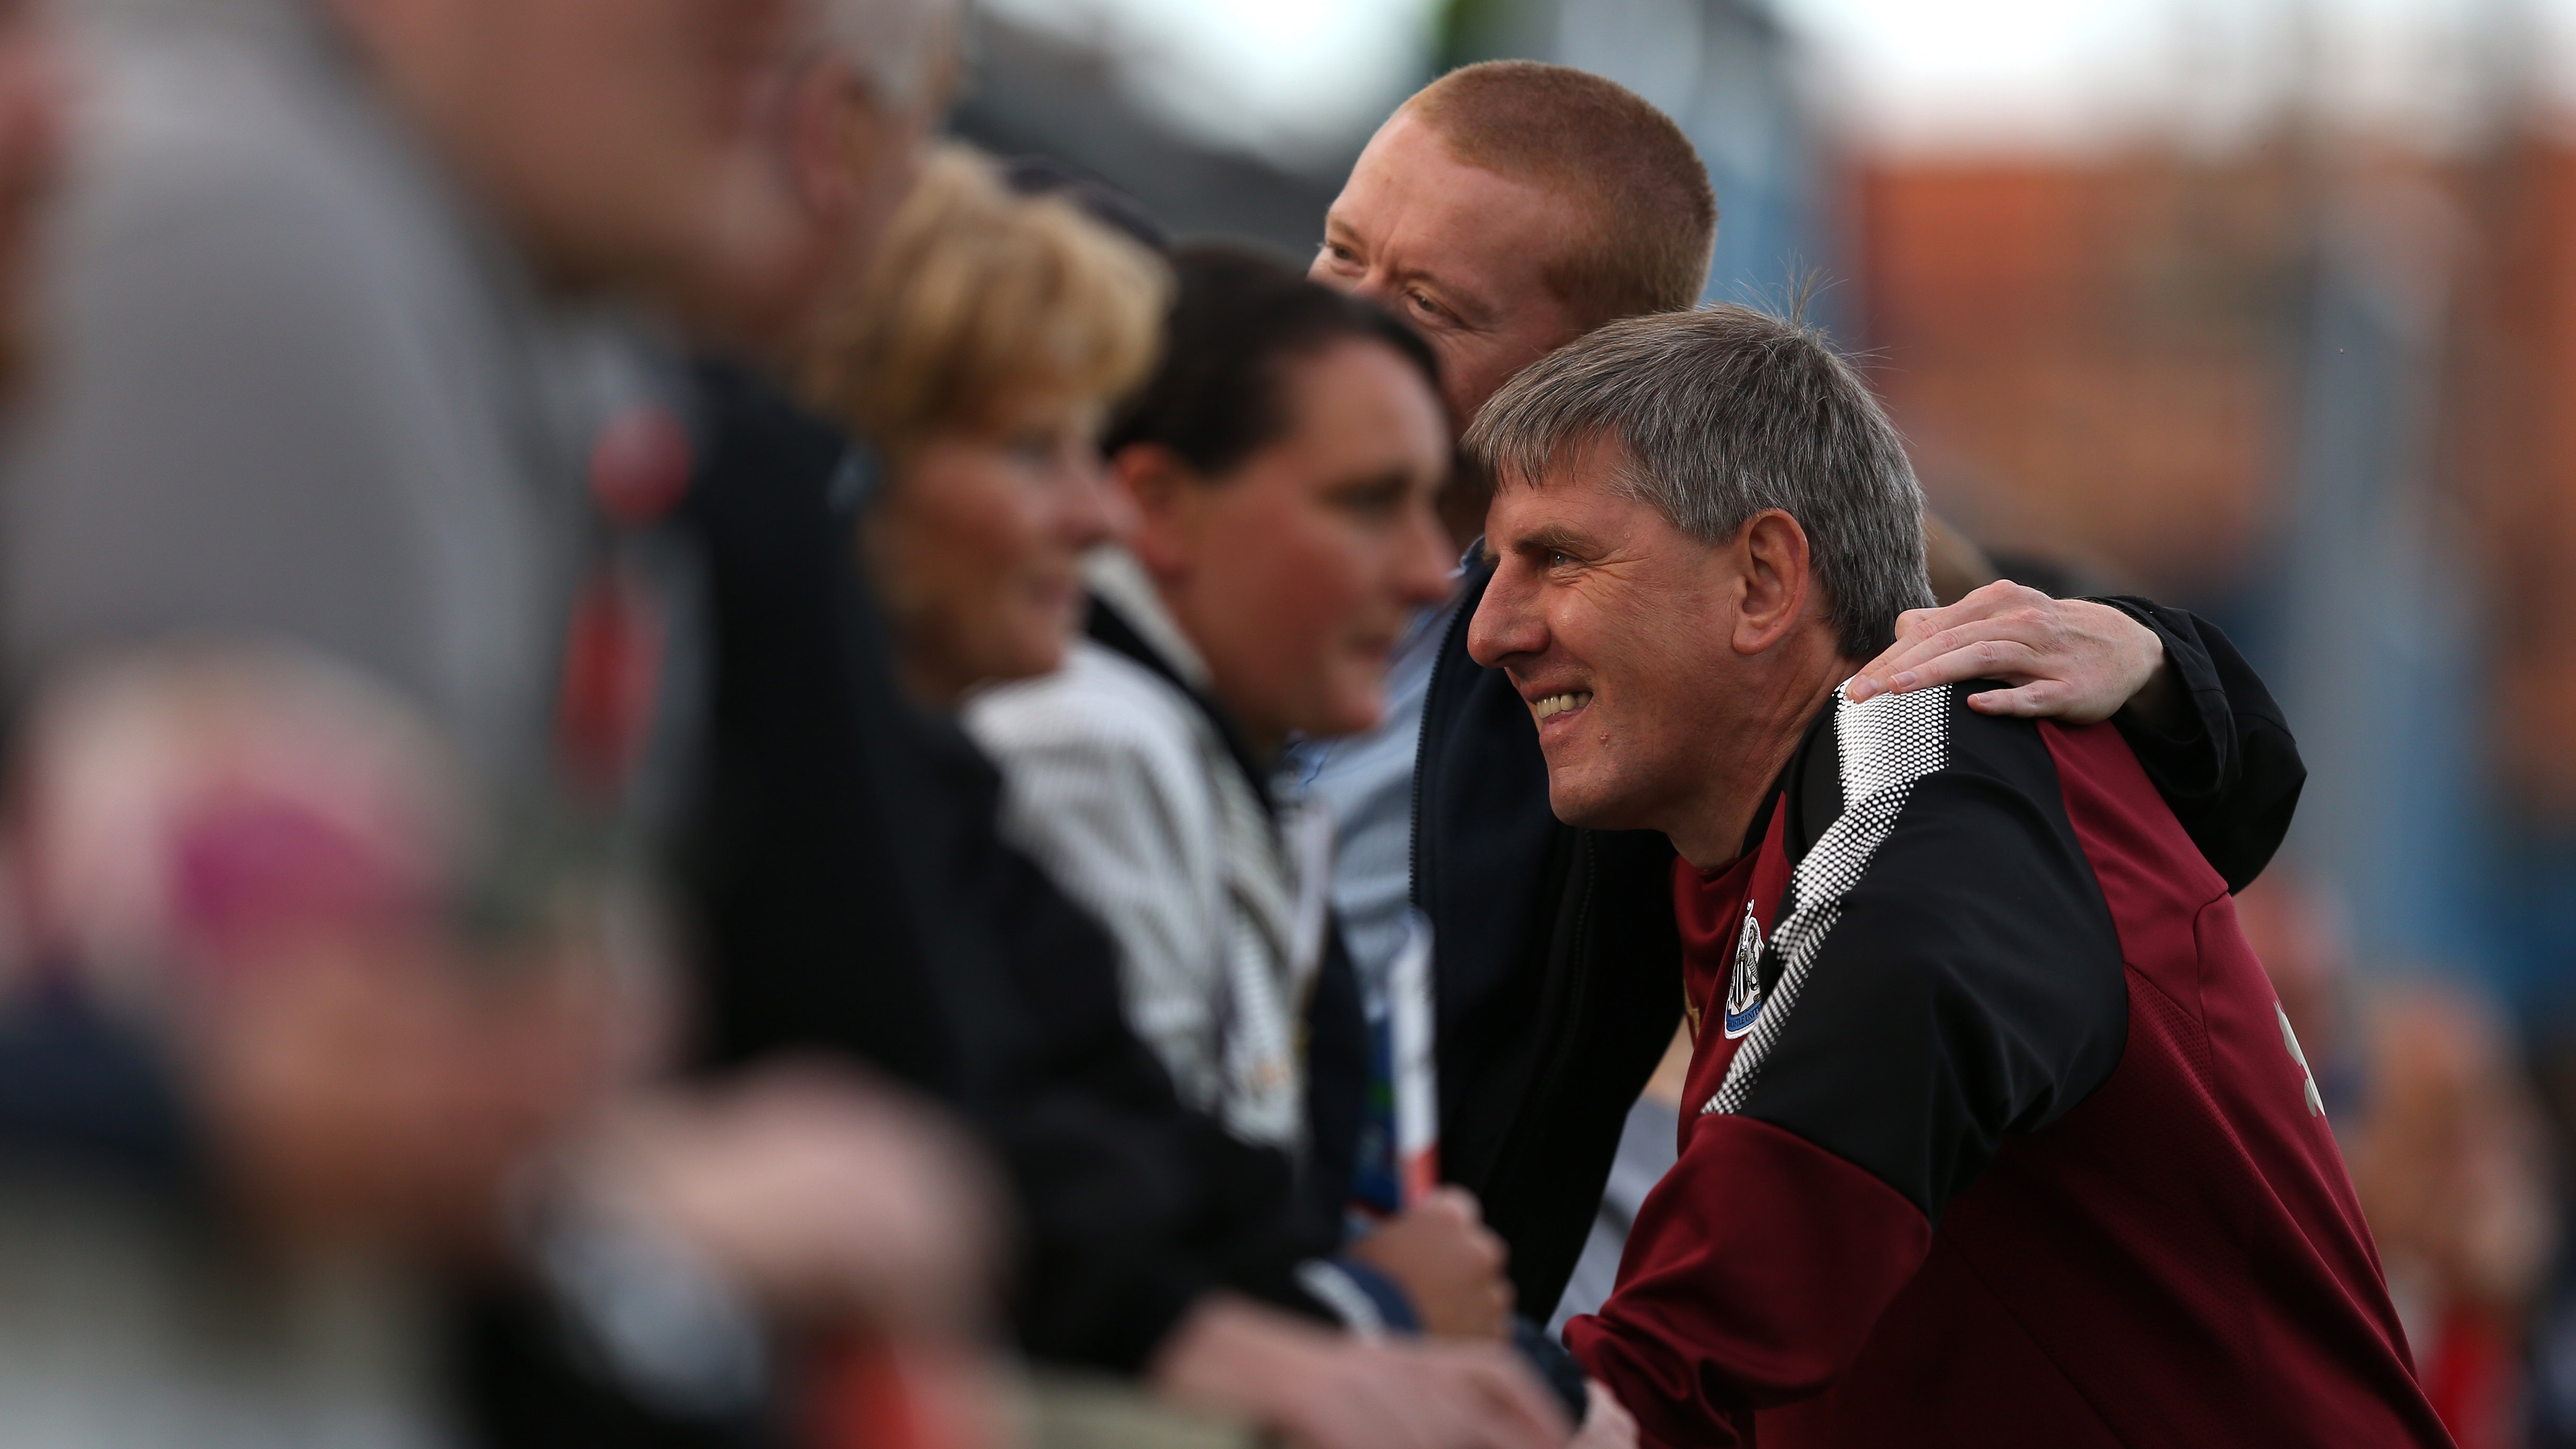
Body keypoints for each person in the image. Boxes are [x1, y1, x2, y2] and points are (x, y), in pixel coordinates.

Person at [0, 0, 997, 1440]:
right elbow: (315, 1179)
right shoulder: (266, 228)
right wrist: (638, 1201)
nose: (793, 25)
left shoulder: (512, 297)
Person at [1295, 58, 2309, 1316]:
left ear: (1585, 362)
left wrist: (2155, 664)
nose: (1345, 324)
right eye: (1341, 254)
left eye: (1429, 303)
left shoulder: (1648, 650)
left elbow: (1934, 671)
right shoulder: (1148, 507)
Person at [696, 140, 1583, 1447]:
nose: (1088, 513)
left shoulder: (978, 759)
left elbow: (1127, 1156)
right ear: (849, 467)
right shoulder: (1084, 740)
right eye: (1029, 451)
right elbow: (1068, 1222)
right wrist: (1363, 1320)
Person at [1465, 302, 2446, 1447]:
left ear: (1763, 580)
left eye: (1559, 560)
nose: (1492, 628)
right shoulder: (1743, 820)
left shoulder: (1925, 782)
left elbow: (1691, 1350)